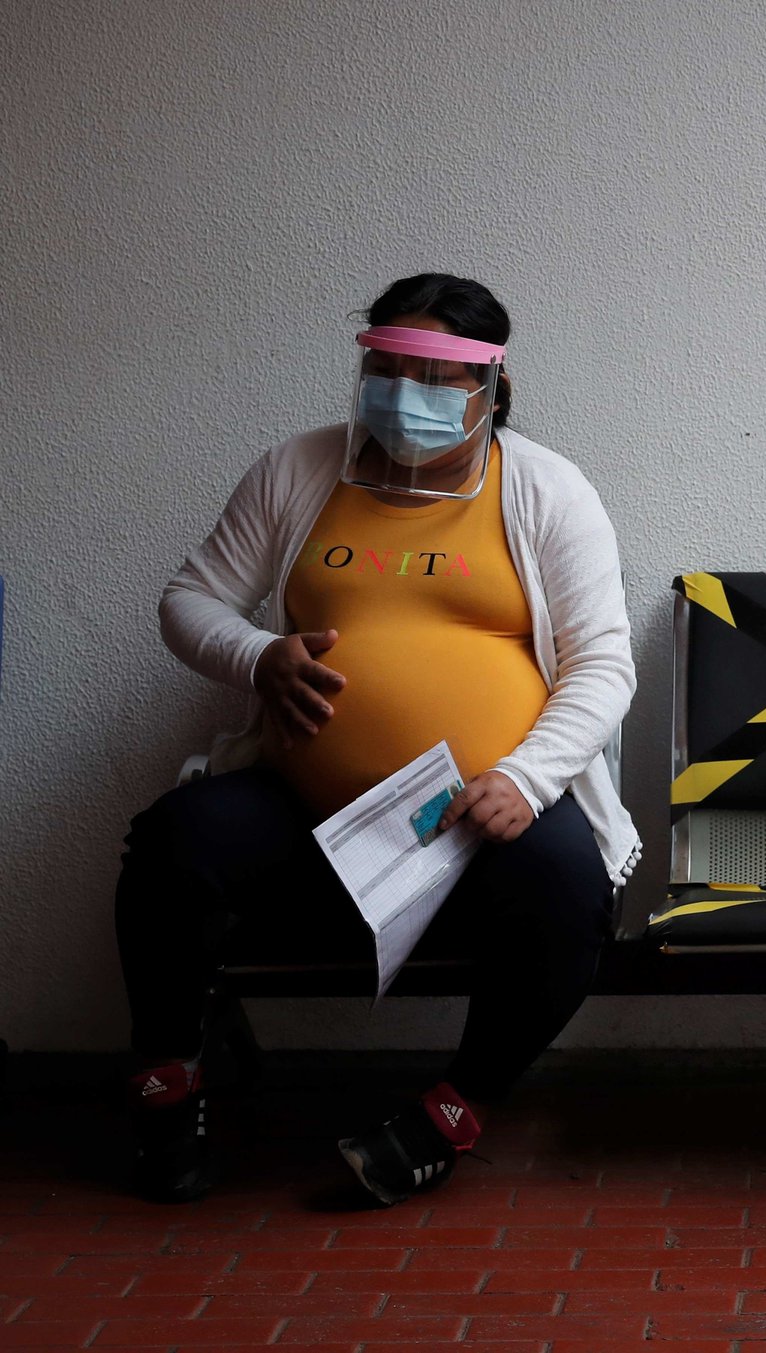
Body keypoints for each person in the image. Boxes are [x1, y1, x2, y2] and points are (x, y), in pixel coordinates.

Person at [117, 274, 638, 1205]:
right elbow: (188, 600)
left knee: (568, 885)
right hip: (305, 802)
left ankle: (451, 1112)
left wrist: (527, 776)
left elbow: (604, 663)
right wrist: (258, 655)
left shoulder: (549, 489)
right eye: (385, 368)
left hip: (482, 813)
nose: (406, 395)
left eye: (434, 375)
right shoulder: (299, 470)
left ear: (492, 388)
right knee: (171, 844)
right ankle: (167, 1089)